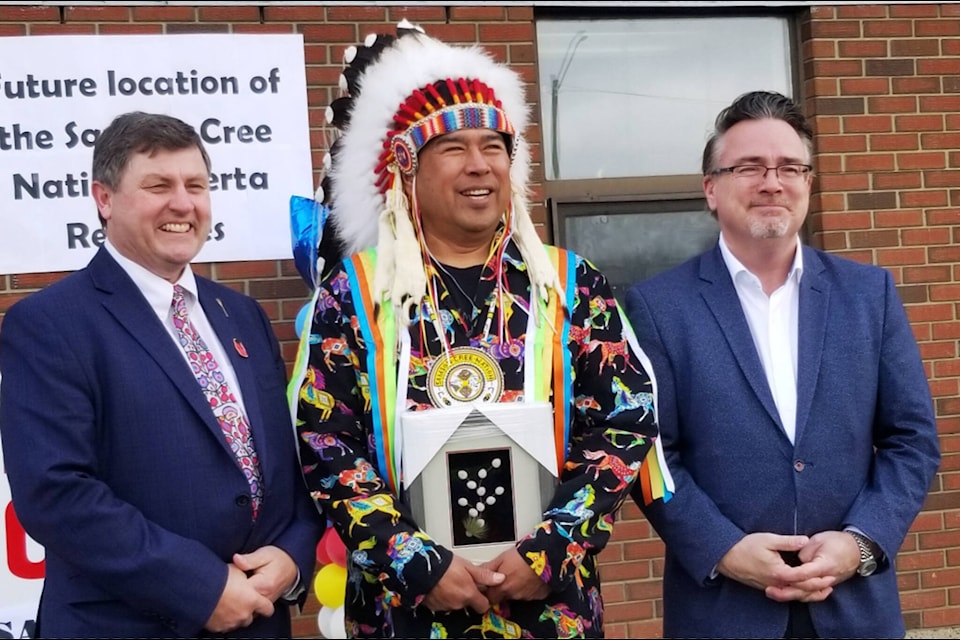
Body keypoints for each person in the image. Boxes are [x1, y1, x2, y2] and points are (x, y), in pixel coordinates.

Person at [292, 22, 673, 639]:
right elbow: (327, 444)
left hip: (549, 609)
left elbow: (627, 422)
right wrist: (415, 564)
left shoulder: (569, 286)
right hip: (408, 611)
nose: (480, 166)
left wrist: (549, 552)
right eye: (454, 149)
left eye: (494, 147)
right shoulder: (358, 296)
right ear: (407, 169)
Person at [625, 90, 941, 639]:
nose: (772, 182)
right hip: (722, 611)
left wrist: (861, 542)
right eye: (748, 167)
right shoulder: (659, 306)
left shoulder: (869, 294)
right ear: (711, 190)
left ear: (808, 185)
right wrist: (722, 548)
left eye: (790, 167)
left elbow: (911, 439)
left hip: (854, 609)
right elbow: (650, 453)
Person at [0, 111, 322, 637]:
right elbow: (56, 493)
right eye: (158, 185)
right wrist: (199, 586)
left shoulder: (241, 316)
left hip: (260, 623)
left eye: (196, 185)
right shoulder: (49, 324)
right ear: (103, 199)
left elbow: (289, 468)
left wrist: (290, 557)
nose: (183, 203)